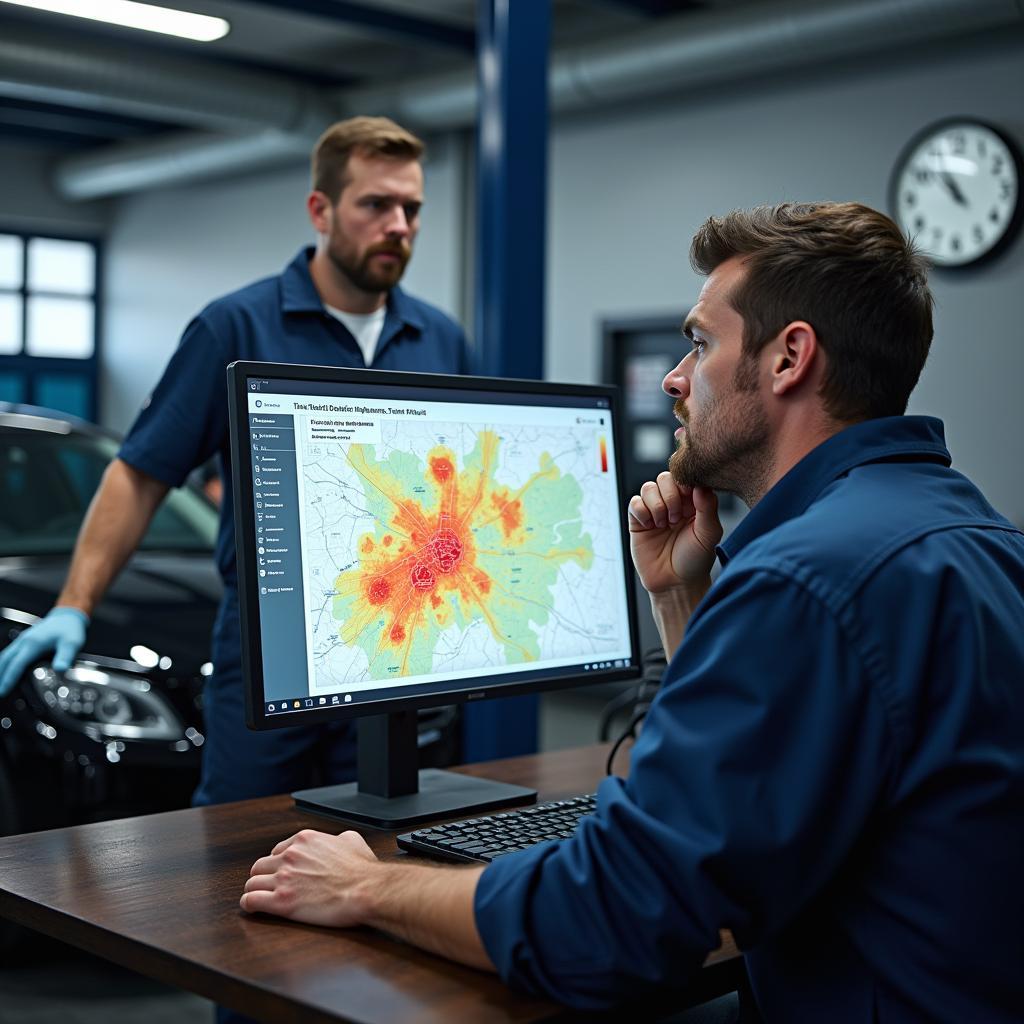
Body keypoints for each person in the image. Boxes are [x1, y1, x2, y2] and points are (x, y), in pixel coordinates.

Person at [236, 202, 1024, 1023]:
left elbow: (608, 923)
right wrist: (682, 600)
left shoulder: (808, 578)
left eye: (700, 343)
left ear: (791, 357)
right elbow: (757, 785)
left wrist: (367, 885)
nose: (676, 379)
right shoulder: (974, 534)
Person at [0, 116, 469, 808]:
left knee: (387, 843)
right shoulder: (237, 327)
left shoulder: (441, 339)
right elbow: (140, 472)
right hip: (266, 655)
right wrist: (74, 605)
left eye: (412, 208)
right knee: (235, 852)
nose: (399, 225)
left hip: (399, 650)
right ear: (321, 209)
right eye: (375, 204)